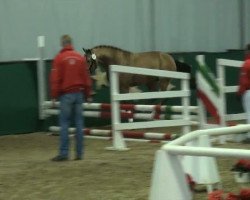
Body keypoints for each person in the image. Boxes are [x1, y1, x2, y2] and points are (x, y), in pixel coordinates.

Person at [50, 35, 92, 161]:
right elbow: (86, 78)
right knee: (79, 123)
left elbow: (55, 79)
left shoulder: (59, 58)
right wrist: (88, 94)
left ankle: (64, 153)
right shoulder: (80, 57)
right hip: (79, 94)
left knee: (64, 124)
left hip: (66, 95)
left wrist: (54, 96)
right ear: (71, 43)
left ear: (62, 44)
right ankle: (79, 154)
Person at [237, 44, 250, 142]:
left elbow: (244, 81)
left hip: (249, 92)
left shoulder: (247, 64)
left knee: (249, 114)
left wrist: (239, 92)